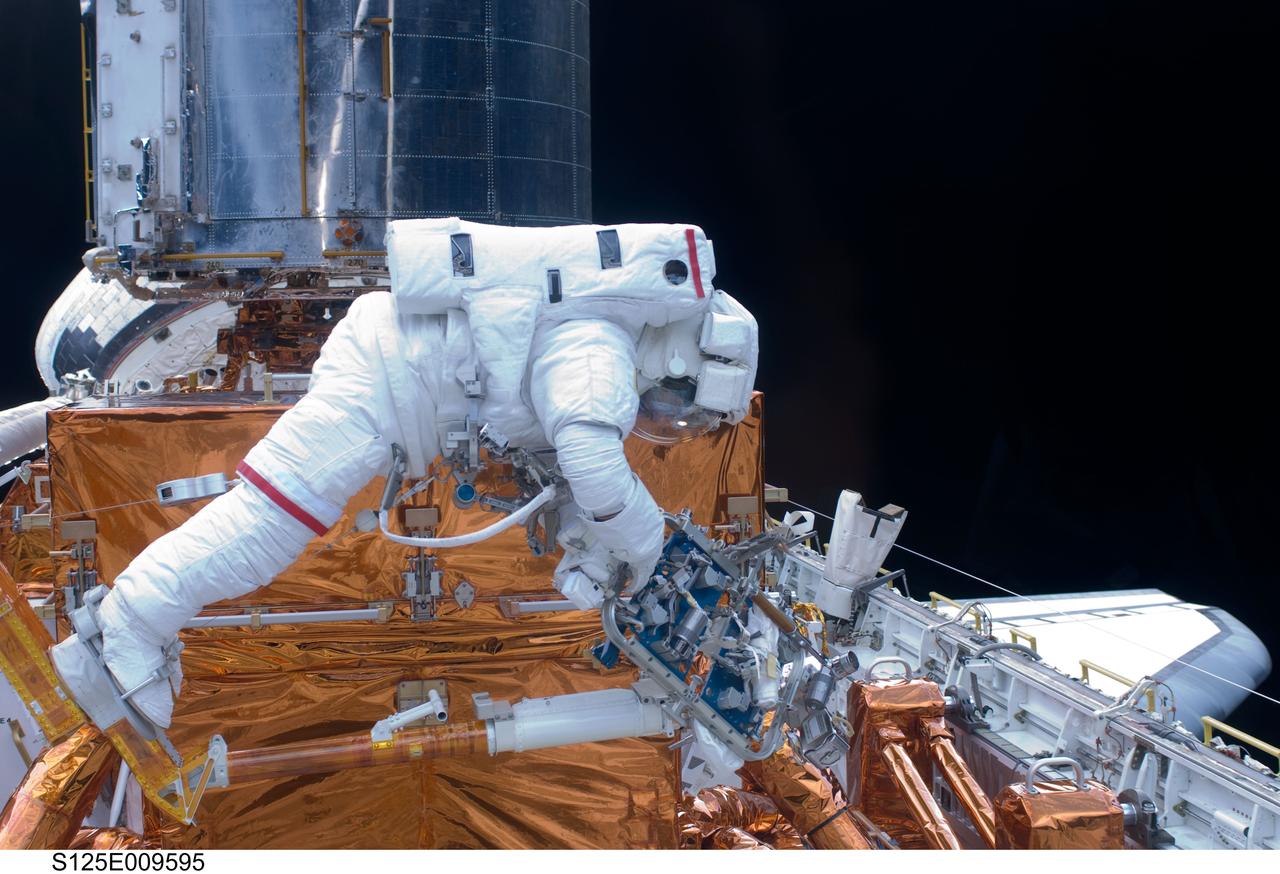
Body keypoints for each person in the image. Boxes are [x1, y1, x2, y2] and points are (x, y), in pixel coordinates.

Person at [94, 219, 759, 729]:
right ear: (677, 355)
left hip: (394, 381)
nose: (662, 419)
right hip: (384, 378)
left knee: (273, 525)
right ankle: (132, 620)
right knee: (272, 520)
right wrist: (648, 547)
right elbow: (593, 464)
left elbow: (568, 480)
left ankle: (149, 615)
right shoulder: (601, 352)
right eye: (674, 403)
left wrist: (591, 558)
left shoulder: (594, 337)